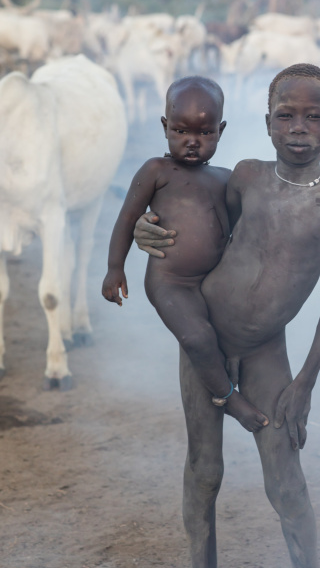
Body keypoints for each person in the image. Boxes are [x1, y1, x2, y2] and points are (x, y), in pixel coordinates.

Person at [134, 63, 320, 568]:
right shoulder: (244, 177)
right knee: (204, 473)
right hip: (205, 340)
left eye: (314, 116)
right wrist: (143, 229)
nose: (299, 127)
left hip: (268, 352)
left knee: (285, 479)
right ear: (265, 124)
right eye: (286, 114)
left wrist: (307, 382)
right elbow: (190, 221)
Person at [102, 76, 269, 432]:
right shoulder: (155, 171)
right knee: (197, 338)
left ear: (220, 130)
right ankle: (229, 398)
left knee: (220, 338)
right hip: (172, 282)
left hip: (216, 284)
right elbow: (126, 219)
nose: (192, 141)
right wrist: (115, 268)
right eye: (180, 130)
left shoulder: (226, 178)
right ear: (165, 127)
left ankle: (229, 386)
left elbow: (239, 227)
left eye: (205, 133)